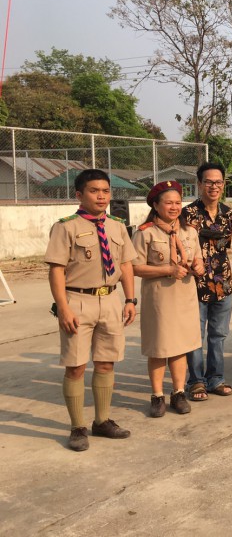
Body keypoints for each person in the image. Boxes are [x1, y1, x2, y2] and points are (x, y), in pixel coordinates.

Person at [45, 169, 137, 451]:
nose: (101, 196)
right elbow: (56, 270)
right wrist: (63, 307)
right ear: (79, 195)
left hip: (109, 300)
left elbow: (125, 265)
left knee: (106, 362)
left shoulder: (117, 226)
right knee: (76, 366)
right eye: (94, 191)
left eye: (106, 191)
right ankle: (77, 427)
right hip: (77, 300)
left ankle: (102, 420)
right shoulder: (65, 227)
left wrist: (130, 300)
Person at [133, 181, 204, 417]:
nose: (174, 207)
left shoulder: (189, 231)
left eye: (177, 202)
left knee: (180, 347)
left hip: (184, 296)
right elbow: (135, 267)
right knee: (158, 348)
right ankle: (157, 396)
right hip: (159, 298)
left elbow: (198, 258)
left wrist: (199, 266)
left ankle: (178, 392)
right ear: (155, 205)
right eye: (168, 203)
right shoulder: (145, 232)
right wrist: (168, 270)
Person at [181, 162, 232, 401]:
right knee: (195, 334)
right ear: (199, 184)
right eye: (209, 182)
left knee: (219, 334)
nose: (214, 186)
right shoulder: (188, 214)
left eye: (218, 182)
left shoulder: (228, 213)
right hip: (195, 283)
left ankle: (216, 379)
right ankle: (195, 381)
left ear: (223, 185)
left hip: (223, 281)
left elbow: (225, 246)